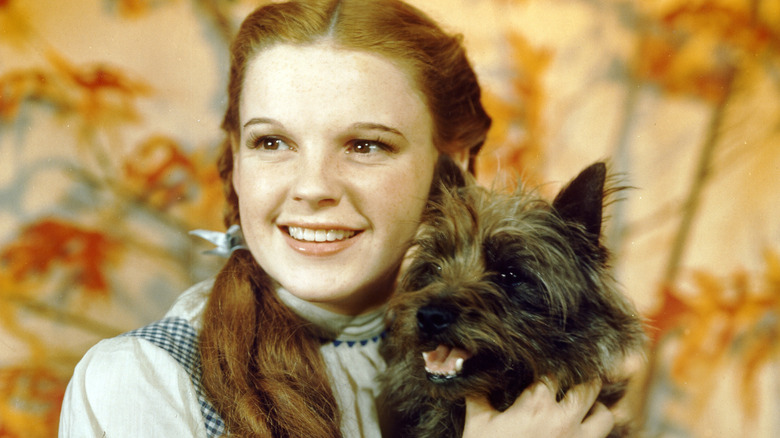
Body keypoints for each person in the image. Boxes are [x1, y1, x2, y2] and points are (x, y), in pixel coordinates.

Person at [59, 1, 616, 437]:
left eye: (367, 145)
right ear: (234, 158)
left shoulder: (511, 369)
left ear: (456, 166)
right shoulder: (143, 381)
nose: (312, 188)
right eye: (272, 141)